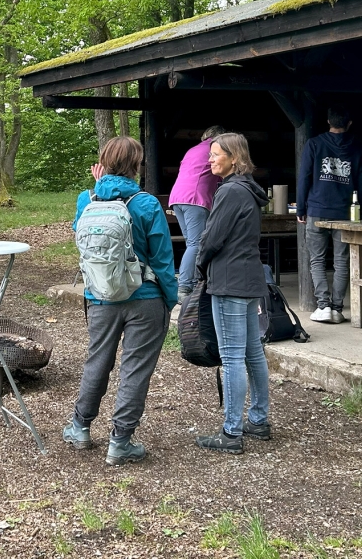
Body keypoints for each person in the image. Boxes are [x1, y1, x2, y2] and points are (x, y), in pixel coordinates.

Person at [63, 136, 177, 466]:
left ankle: (80, 428)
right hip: (145, 298)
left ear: (105, 162)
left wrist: (99, 187)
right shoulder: (146, 203)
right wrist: (171, 298)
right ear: (136, 165)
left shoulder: (87, 199)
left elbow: (80, 235)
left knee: (97, 361)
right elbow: (163, 259)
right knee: (135, 370)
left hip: (100, 296)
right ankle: (120, 442)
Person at [194, 132, 272, 455]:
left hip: (229, 282)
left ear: (234, 158)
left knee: (232, 357)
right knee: (253, 352)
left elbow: (212, 239)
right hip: (249, 280)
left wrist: (199, 263)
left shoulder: (229, 192)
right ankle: (259, 419)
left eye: (216, 155)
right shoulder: (250, 190)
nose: (210, 159)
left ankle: (231, 431)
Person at [297, 106, 362, 324]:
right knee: (341, 261)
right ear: (349, 123)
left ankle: (323, 306)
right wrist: (358, 207)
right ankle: (337, 309)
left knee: (317, 260)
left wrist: (300, 208)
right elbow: (361, 182)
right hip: (345, 211)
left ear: (328, 121)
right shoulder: (357, 147)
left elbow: (304, 177)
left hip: (317, 209)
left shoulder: (315, 144)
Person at [168, 125, 227, 304]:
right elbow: (222, 175)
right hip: (195, 198)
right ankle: (185, 286)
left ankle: (193, 282)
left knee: (192, 244)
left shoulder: (193, 149)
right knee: (196, 243)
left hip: (177, 198)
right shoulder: (216, 149)